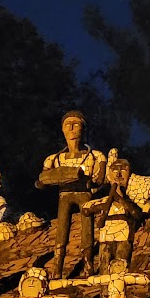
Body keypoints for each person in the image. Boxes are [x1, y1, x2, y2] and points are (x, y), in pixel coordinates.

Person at [36, 111, 107, 278]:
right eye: (68, 124)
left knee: (87, 227)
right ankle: (57, 267)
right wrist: (43, 182)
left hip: (84, 193)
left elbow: (100, 178)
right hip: (64, 194)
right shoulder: (53, 159)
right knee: (61, 228)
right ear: (62, 129)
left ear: (83, 128)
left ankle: (88, 265)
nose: (72, 127)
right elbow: (43, 179)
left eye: (76, 124)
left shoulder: (95, 156)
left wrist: (91, 182)